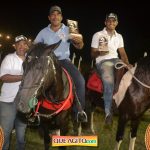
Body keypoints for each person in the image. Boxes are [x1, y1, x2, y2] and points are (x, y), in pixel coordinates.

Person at [34, 5, 87, 122]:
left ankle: (79, 111)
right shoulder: (43, 32)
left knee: (80, 81)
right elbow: (35, 46)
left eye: (58, 14)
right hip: (47, 61)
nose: (55, 16)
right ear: (49, 17)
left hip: (63, 61)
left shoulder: (69, 29)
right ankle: (33, 111)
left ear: (62, 17)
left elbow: (80, 46)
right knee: (34, 80)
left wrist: (78, 41)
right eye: (53, 14)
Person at [91, 13, 132, 125]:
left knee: (129, 73)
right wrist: (100, 52)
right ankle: (108, 112)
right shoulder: (98, 35)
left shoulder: (119, 36)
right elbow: (92, 54)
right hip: (103, 61)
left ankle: (123, 99)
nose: (111, 22)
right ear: (105, 22)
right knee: (108, 80)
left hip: (116, 60)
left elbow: (122, 53)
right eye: (109, 20)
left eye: (114, 21)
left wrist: (127, 63)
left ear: (116, 23)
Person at [0, 35, 29, 150]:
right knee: (5, 133)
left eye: (24, 44)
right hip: (8, 101)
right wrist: (24, 77)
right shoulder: (9, 58)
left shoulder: (31, 60)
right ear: (15, 46)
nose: (21, 46)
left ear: (27, 46)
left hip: (24, 102)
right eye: (19, 44)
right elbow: (3, 77)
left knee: (21, 135)